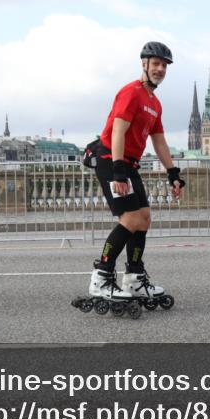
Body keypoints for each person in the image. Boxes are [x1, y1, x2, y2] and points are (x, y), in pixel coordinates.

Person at [79, 41, 184, 315]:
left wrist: (173, 173)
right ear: (144, 64)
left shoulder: (154, 103)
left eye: (164, 66)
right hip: (111, 159)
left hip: (130, 163)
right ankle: (101, 277)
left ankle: (135, 278)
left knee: (144, 218)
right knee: (129, 220)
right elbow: (117, 132)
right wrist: (117, 169)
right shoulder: (131, 93)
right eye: (156, 64)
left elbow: (159, 142)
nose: (160, 69)